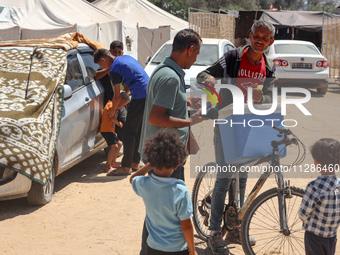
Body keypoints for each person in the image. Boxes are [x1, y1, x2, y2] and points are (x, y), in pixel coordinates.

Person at [196, 20, 276, 254]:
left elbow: (271, 98)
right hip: (226, 122)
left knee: (242, 177)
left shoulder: (269, 67)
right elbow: (204, 73)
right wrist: (208, 80)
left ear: (270, 42)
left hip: (249, 126)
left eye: (265, 38)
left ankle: (235, 229)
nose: (260, 40)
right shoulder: (232, 57)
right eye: (256, 36)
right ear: (250, 36)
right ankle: (213, 233)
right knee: (224, 176)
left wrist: (263, 99)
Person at [132, 28, 204, 255]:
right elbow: (156, 116)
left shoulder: (164, 71)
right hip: (165, 158)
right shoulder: (171, 77)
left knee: (156, 211)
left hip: (160, 155)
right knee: (167, 212)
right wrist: (190, 121)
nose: (196, 58)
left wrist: (187, 103)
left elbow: (167, 106)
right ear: (190, 49)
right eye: (196, 53)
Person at [131, 129, 197, 255]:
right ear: (177, 164)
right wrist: (193, 250)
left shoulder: (145, 185)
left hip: (153, 247)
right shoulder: (181, 192)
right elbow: (187, 225)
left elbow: (133, 179)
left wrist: (150, 164)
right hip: (177, 249)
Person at [94, 48, 148, 176]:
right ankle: (135, 162)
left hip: (140, 95)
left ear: (103, 59)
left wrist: (113, 111)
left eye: (102, 65)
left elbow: (116, 96)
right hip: (149, 91)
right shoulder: (126, 58)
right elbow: (130, 82)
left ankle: (125, 167)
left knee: (129, 131)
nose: (103, 67)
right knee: (137, 129)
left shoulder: (114, 69)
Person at [298, 138, 340, 255]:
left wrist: (302, 217)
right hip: (331, 235)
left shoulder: (314, 186)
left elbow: (304, 213)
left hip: (314, 237)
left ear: (316, 162)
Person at [100, 91, 130, 173]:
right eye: (123, 104)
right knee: (114, 146)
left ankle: (113, 162)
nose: (123, 106)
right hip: (106, 130)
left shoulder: (115, 107)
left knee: (119, 144)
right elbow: (111, 116)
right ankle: (107, 165)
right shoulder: (111, 105)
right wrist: (119, 123)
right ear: (118, 100)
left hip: (110, 130)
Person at [94, 40, 126, 105]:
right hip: (108, 101)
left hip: (120, 101)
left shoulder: (123, 66)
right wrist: (110, 67)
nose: (117, 54)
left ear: (122, 54)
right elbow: (96, 76)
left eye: (119, 52)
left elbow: (127, 85)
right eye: (114, 52)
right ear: (110, 52)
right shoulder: (105, 64)